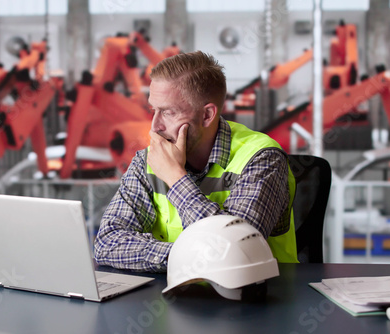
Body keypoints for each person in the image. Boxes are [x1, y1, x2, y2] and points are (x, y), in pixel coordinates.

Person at [94, 51, 298, 272]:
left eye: (168, 112)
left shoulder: (263, 158)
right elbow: (107, 242)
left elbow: (237, 254)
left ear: (207, 115)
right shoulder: (149, 159)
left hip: (259, 299)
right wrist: (187, 257)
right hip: (169, 298)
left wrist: (175, 177)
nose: (155, 126)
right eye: (154, 110)